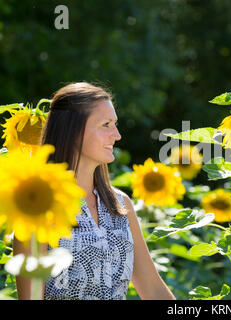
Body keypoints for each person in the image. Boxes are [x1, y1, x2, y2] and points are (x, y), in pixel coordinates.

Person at [13, 82, 175, 300]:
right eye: (106, 125)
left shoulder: (120, 205)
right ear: (73, 130)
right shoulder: (37, 210)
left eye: (115, 124)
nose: (116, 135)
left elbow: (154, 290)